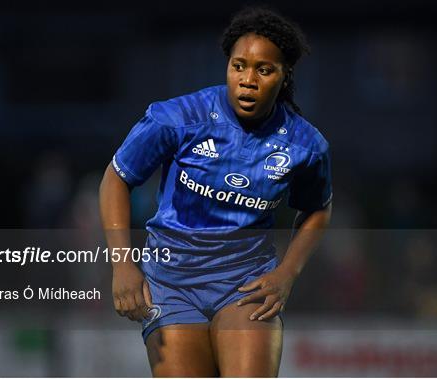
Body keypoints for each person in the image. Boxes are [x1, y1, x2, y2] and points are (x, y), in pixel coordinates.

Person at [99, 6, 332, 377]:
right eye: (238, 66)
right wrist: (123, 265)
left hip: (245, 284)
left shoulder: (305, 146)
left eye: (264, 69)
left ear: (284, 75)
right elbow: (116, 177)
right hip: (171, 286)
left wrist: (287, 272)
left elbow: (318, 209)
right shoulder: (177, 118)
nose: (248, 80)